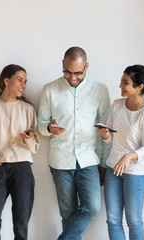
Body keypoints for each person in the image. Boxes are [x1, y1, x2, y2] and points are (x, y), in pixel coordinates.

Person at [38, 46, 111, 240]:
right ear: (62, 64)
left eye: (78, 73)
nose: (72, 78)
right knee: (68, 214)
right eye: (67, 72)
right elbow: (40, 125)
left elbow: (106, 131)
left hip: (88, 160)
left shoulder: (100, 90)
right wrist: (48, 128)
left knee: (93, 207)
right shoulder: (50, 89)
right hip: (60, 160)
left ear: (86, 66)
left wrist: (103, 165)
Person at [0, 64, 40, 240]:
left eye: (25, 81)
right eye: (19, 79)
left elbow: (35, 146)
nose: (23, 85)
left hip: (22, 168)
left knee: (21, 224)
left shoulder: (28, 109)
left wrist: (27, 138)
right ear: (6, 80)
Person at [95, 65, 144, 240]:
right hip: (113, 169)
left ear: (139, 87)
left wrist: (129, 156)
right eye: (121, 81)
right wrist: (105, 134)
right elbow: (110, 139)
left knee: (134, 221)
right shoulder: (117, 105)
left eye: (125, 82)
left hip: (136, 173)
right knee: (113, 220)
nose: (120, 86)